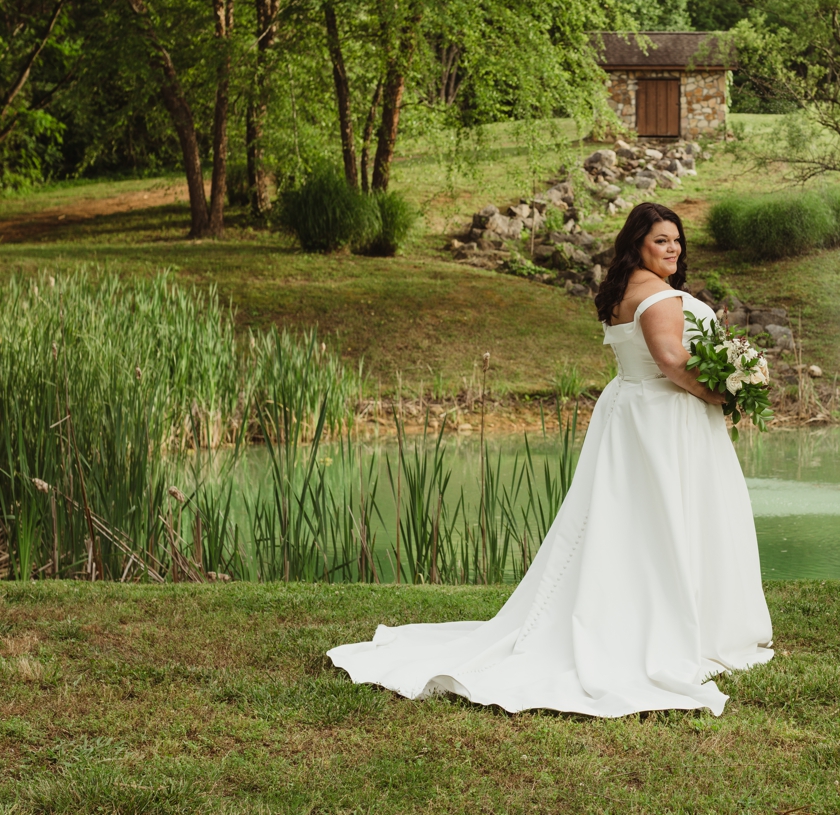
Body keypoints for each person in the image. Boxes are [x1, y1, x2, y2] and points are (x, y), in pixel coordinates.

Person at [327, 201, 773, 716]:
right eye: (661, 241)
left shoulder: (625, 290)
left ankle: (630, 612)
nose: (672, 249)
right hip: (666, 416)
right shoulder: (660, 296)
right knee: (667, 519)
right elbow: (672, 363)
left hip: (633, 411)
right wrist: (723, 392)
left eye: (677, 240)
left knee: (631, 521)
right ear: (637, 245)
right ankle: (672, 624)